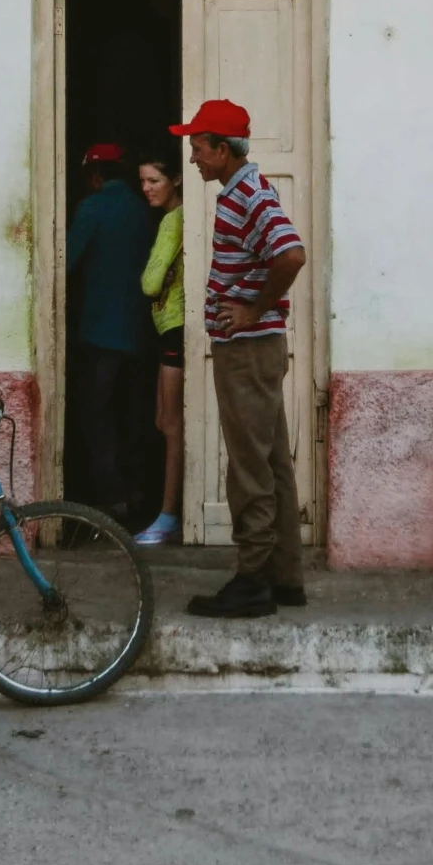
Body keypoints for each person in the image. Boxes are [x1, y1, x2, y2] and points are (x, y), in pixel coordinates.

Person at [170, 99, 307, 618]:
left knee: (250, 469)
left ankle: (252, 580)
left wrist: (252, 308)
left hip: (247, 352)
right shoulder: (246, 190)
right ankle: (284, 577)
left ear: (222, 150)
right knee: (272, 464)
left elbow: (290, 254)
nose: (194, 160)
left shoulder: (246, 193)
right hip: (254, 352)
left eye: (199, 148)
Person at [66, 142, 156, 520]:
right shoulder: (146, 210)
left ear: (95, 175)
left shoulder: (92, 207)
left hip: (100, 332)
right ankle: (137, 491)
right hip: (142, 330)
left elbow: (66, 261)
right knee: (135, 412)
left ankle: (109, 495)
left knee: (97, 413)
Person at [134, 155, 185, 545]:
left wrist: (156, 272)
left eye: (155, 180)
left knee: (170, 425)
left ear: (176, 179)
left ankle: (168, 516)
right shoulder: (181, 217)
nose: (147, 188)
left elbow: (151, 283)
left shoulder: (173, 220)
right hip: (174, 329)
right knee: (166, 423)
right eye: (143, 181)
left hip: (175, 330)